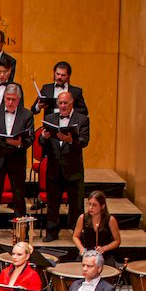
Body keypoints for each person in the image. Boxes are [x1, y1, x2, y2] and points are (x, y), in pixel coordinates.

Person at [0, 84, 34, 242]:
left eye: (13, 100)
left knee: (18, 197)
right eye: (7, 99)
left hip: (16, 159)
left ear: (18, 100)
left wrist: (18, 143)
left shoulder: (27, 114)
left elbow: (30, 138)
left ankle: (21, 233)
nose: (9, 103)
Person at [39, 91, 91, 239]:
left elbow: (84, 141)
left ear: (72, 103)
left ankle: (76, 233)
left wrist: (70, 140)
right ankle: (51, 232)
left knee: (76, 205)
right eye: (60, 103)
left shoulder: (82, 119)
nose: (62, 106)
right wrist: (43, 137)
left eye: (65, 103)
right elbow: (43, 144)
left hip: (73, 168)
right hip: (54, 168)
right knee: (53, 204)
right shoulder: (49, 118)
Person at [72, 190, 122, 255]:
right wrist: (81, 249)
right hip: (87, 252)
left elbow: (117, 241)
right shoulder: (82, 218)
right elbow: (75, 236)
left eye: (94, 205)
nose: (90, 207)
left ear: (102, 206)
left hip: (105, 253)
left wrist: (104, 248)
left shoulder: (110, 220)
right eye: (89, 204)